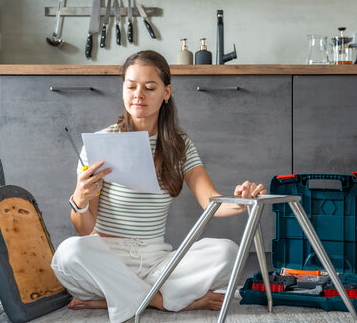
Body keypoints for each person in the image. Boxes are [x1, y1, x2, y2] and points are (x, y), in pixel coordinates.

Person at [51, 50, 267, 323]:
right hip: (106, 259)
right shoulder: (101, 143)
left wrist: (241, 200)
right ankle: (161, 301)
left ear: (166, 92)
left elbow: (210, 200)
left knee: (227, 252)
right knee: (68, 253)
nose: (138, 94)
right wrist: (80, 197)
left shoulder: (180, 145)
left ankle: (116, 299)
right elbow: (83, 229)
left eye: (149, 87)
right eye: (130, 86)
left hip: (157, 261)